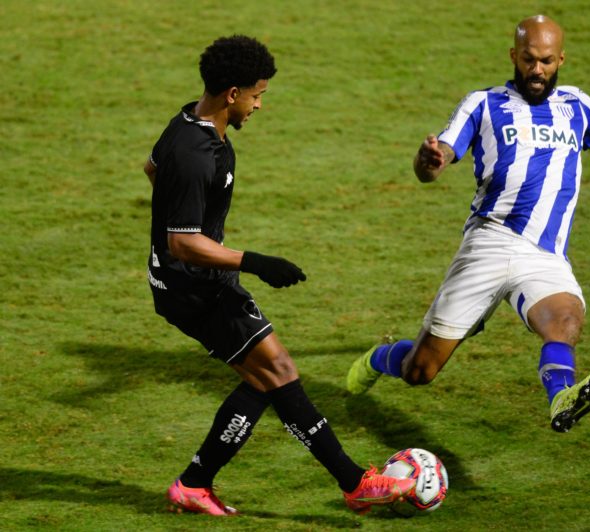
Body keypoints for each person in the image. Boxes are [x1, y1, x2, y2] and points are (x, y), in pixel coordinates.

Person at [347, 15, 590, 432]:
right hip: (489, 245)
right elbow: (437, 159)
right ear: (514, 56)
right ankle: (379, 358)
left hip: (545, 255)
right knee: (420, 370)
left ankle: (562, 398)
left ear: (561, 60)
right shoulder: (483, 104)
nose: (537, 69)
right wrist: (429, 161)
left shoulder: (577, 106)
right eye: (529, 59)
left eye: (547, 61)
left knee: (566, 321)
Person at [143, 35, 414, 516]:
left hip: (197, 279)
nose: (259, 106)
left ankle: (195, 483)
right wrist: (253, 261)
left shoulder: (189, 122)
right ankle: (354, 483)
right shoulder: (194, 152)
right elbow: (182, 242)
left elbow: (152, 168)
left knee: (268, 376)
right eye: (257, 95)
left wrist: (187, 213)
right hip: (193, 288)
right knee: (278, 371)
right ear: (232, 94)